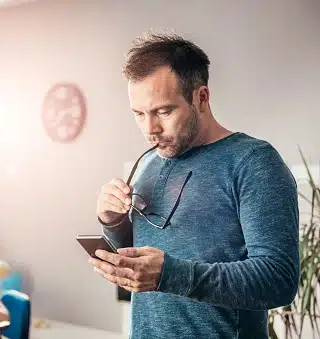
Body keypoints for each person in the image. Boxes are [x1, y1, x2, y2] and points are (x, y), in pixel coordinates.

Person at [90, 32, 299, 339]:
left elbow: (278, 279)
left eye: (164, 111)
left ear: (201, 97)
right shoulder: (149, 163)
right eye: (139, 114)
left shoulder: (254, 162)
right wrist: (112, 221)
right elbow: (139, 259)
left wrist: (170, 274)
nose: (150, 129)